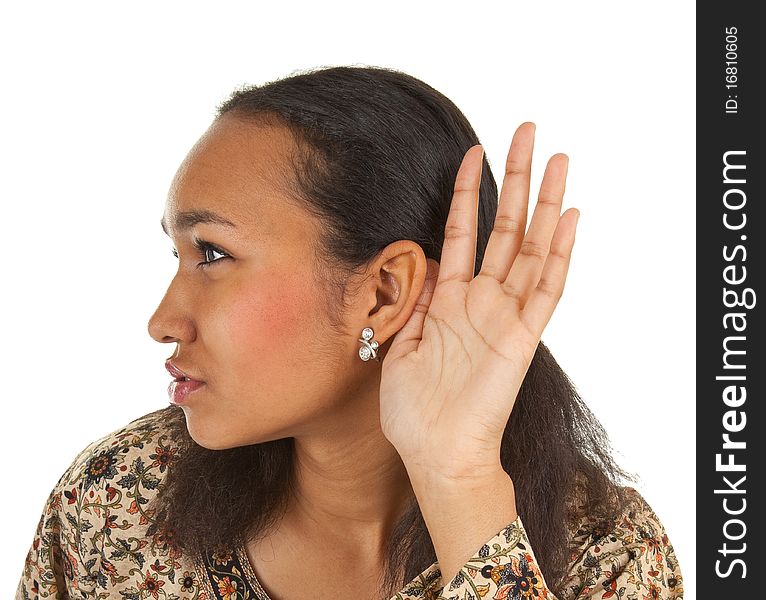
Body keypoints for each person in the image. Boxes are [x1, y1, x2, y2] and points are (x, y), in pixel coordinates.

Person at [16, 66, 684, 600]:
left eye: (213, 254)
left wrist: (460, 480)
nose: (163, 321)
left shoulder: (606, 558)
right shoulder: (119, 499)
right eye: (178, 255)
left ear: (384, 293)